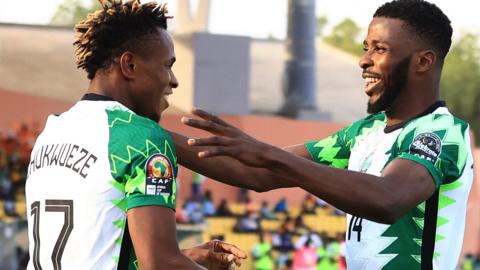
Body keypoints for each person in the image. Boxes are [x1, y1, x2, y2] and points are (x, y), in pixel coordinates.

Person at [172, 0, 474, 269]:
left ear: (423, 61)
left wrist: (268, 153)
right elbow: (257, 173)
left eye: (379, 49)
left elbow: (389, 198)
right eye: (365, 48)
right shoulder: (363, 134)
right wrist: (147, 132)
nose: (364, 60)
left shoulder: (442, 132)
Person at [25, 1, 246, 269]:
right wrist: (175, 260)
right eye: (168, 65)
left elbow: (93, 252)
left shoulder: (51, 132)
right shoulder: (140, 137)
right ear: (129, 65)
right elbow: (161, 264)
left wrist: (187, 258)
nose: (174, 80)